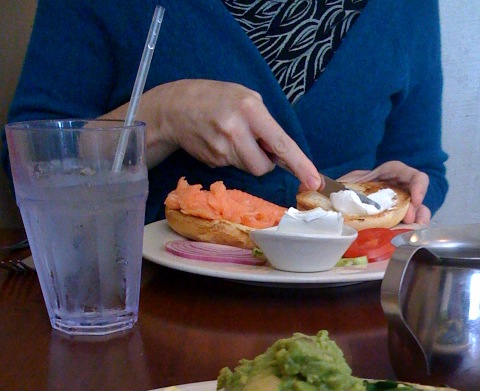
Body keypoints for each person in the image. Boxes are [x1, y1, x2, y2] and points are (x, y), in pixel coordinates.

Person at [3, 0, 448, 225]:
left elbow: (421, 164)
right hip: (150, 317)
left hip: (343, 323)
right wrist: (162, 117)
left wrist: (382, 194)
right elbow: (27, 162)